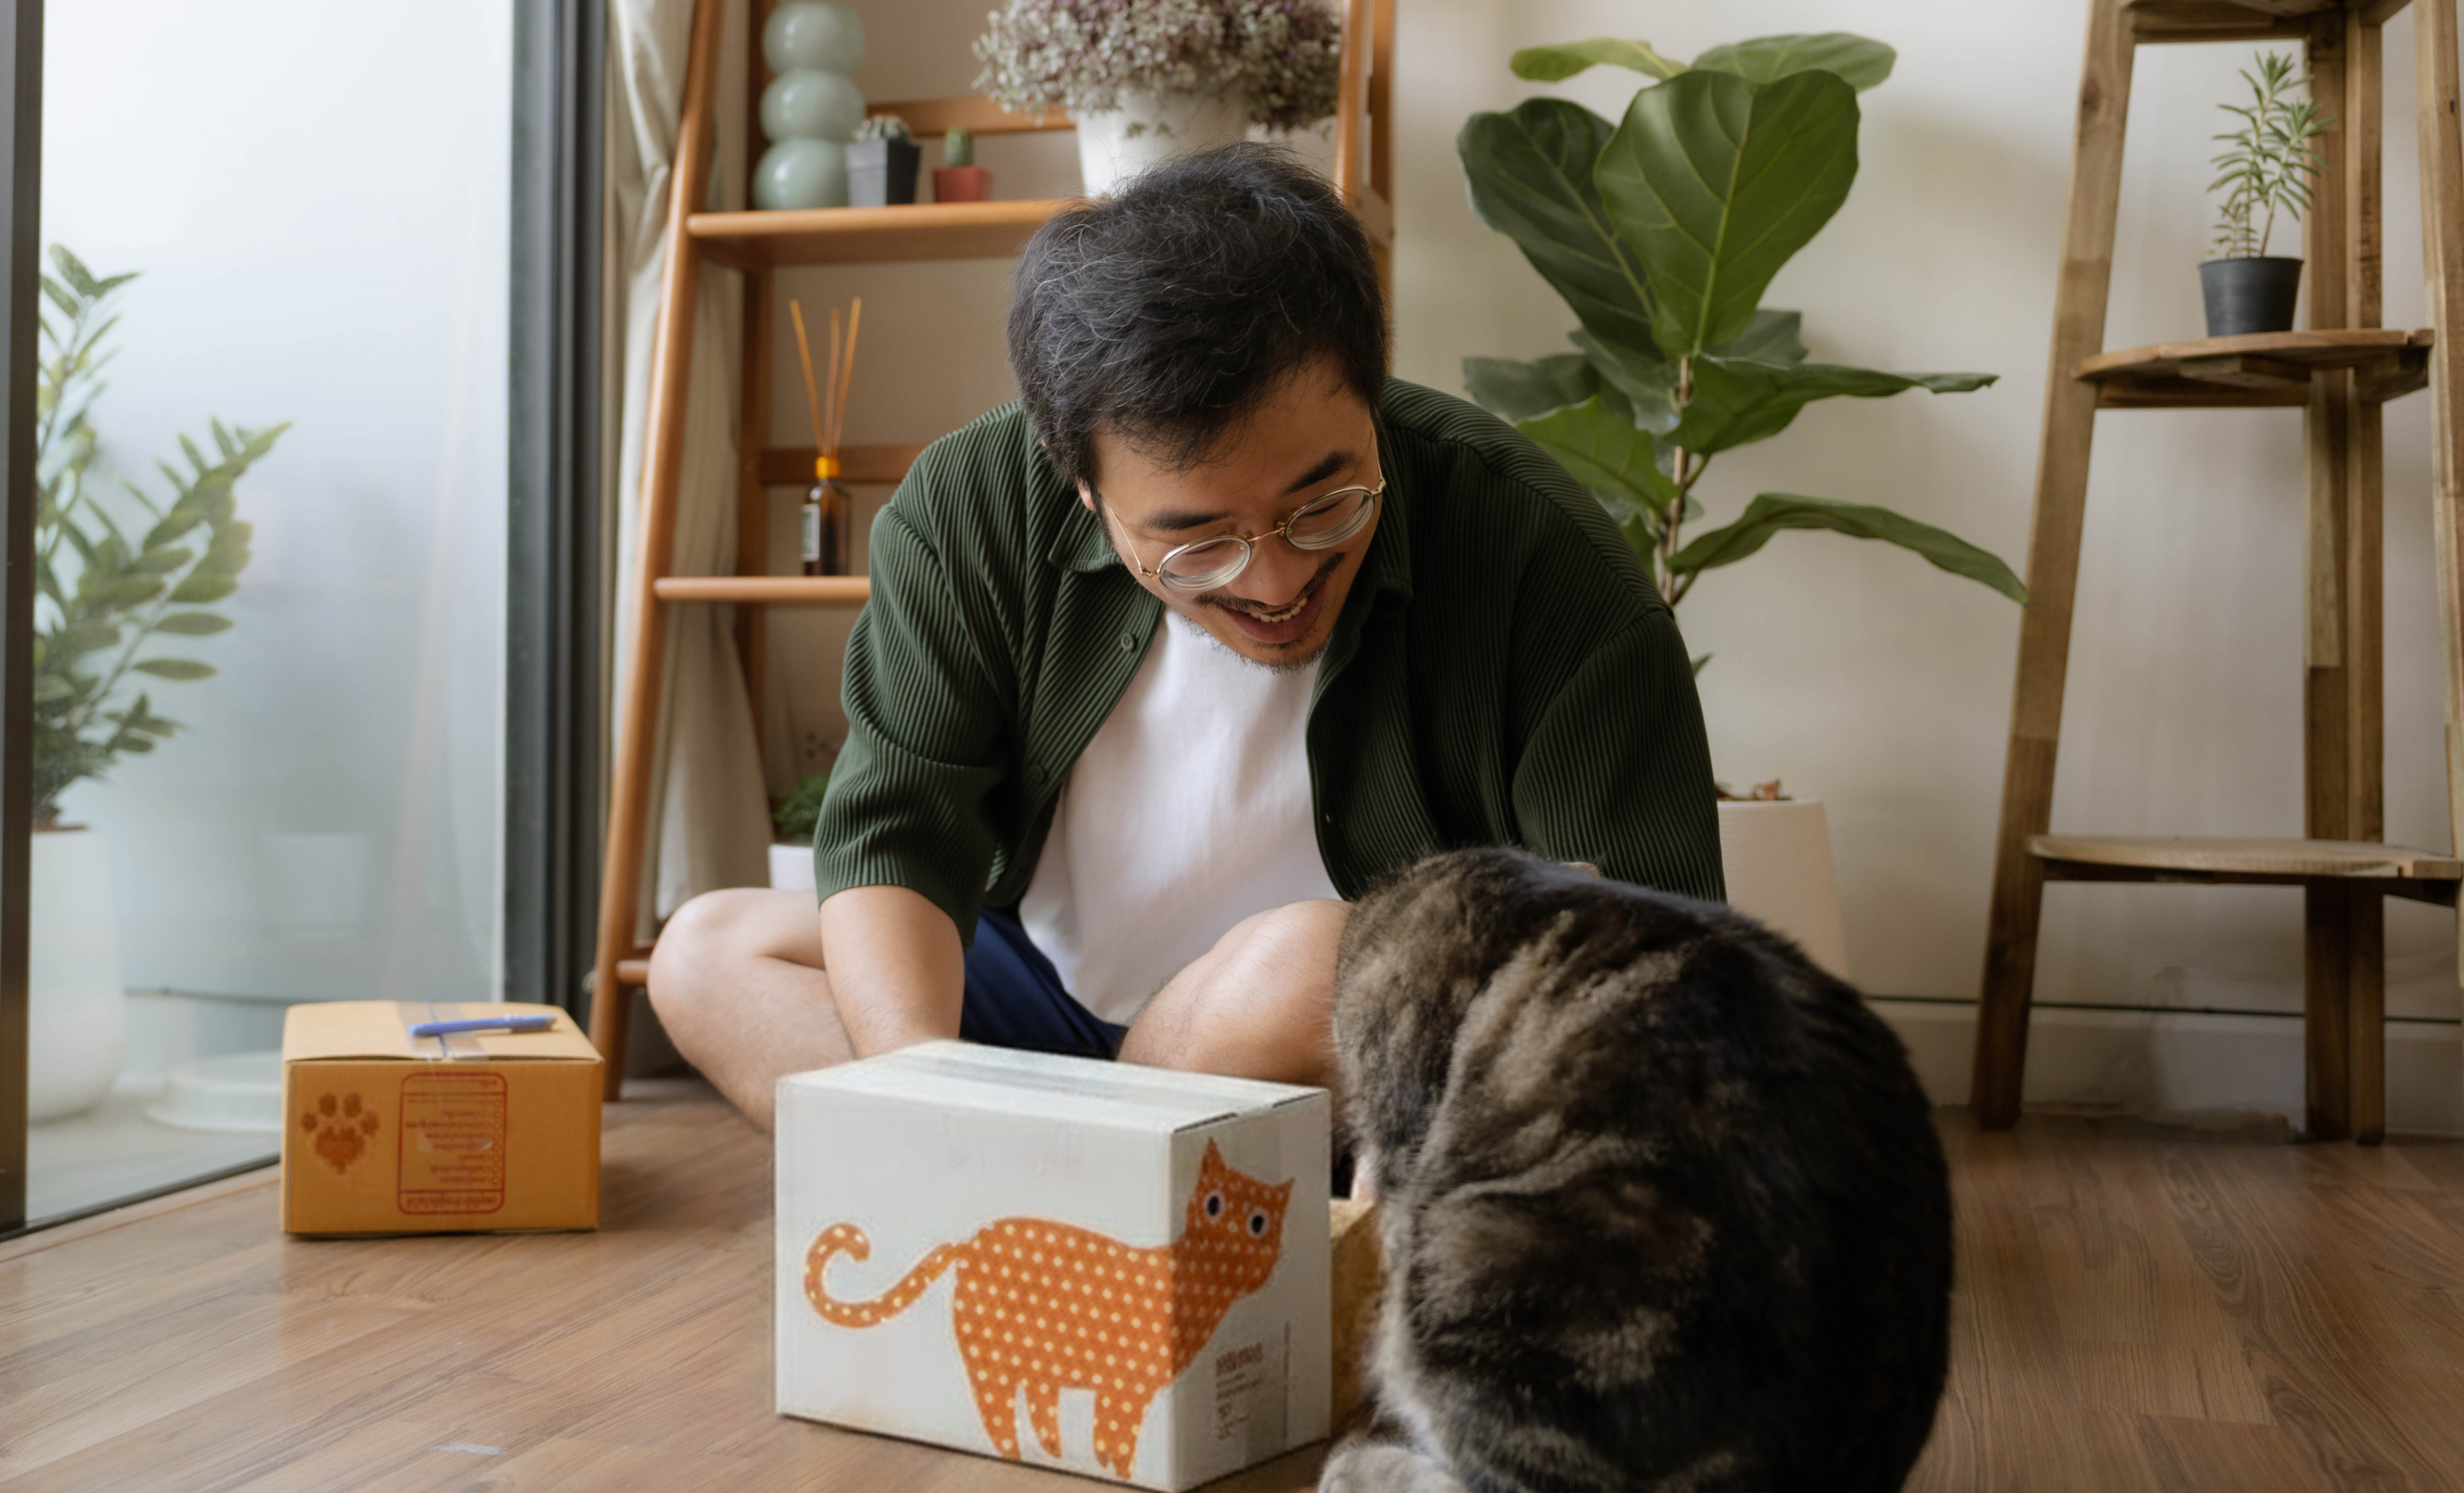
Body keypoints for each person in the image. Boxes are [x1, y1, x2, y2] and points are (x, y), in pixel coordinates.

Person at [651, 144, 1720, 1128]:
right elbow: (897, 838)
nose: (1277, 581)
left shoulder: (1542, 558)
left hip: (1315, 1052)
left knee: (1302, 969)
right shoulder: (971, 505)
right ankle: (1037, 1182)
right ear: (1082, 488)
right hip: (1045, 998)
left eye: (1324, 505)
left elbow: (1647, 967)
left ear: (1372, 395)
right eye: (1196, 544)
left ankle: (1053, 1194)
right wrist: (925, 1093)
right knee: (708, 954)